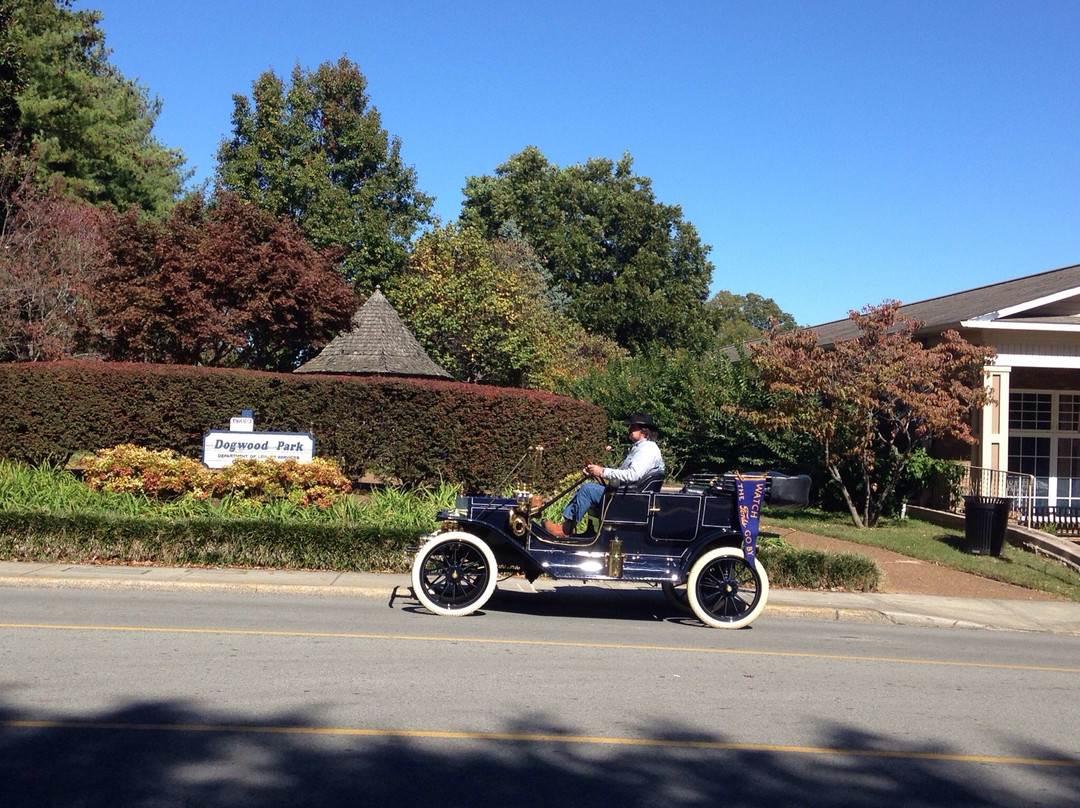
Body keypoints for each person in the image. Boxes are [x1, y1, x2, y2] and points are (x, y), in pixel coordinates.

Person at [546, 412, 665, 537]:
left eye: (633, 427)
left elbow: (633, 475)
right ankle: (587, 531)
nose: (629, 429)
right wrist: (597, 473)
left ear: (644, 431)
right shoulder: (642, 448)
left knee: (588, 489)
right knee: (590, 488)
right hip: (628, 494)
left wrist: (602, 471)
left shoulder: (647, 449)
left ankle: (565, 530)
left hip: (629, 497)